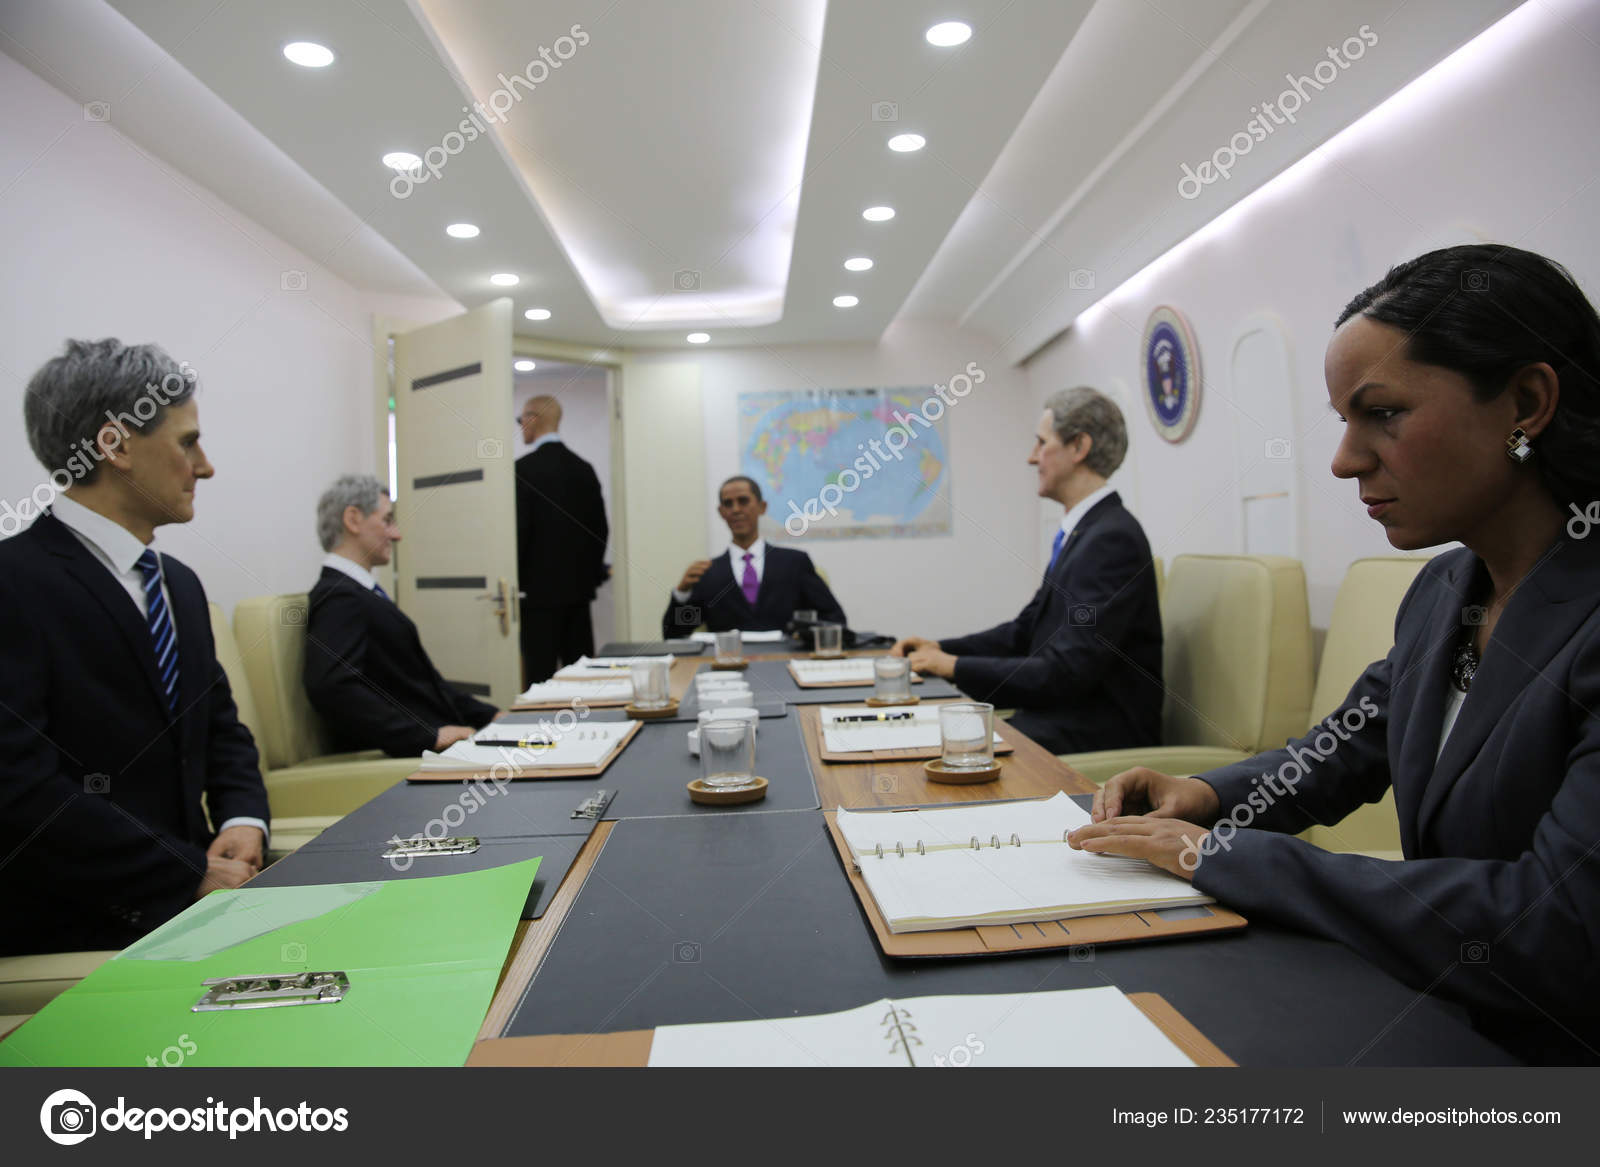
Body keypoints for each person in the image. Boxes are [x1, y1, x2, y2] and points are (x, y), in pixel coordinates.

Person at [1068, 244, 1600, 1065]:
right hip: (1438, 1010)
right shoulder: (1442, 590)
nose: (1345, 458)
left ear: (1526, 402)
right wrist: (1205, 795)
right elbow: (1346, 747)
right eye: (1344, 421)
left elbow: (1555, 927)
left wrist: (1226, 857)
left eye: (1381, 413)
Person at [0, 339, 270, 955]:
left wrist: (241, 821)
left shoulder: (178, 582)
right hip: (85, 928)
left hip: (210, 900)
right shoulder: (13, 583)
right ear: (115, 444)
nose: (205, 466)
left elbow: (222, 730)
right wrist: (184, 869)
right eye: (187, 442)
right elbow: (18, 789)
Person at [891, 388, 1162, 754]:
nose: (1031, 457)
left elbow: (1066, 672)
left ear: (1079, 447)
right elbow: (1025, 631)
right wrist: (939, 649)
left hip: (1100, 735)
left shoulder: (1112, 540)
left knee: (932, 745)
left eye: (1041, 442)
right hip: (1060, 721)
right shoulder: (1085, 532)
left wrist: (952, 666)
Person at [303, 475, 497, 757]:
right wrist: (427, 736)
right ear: (353, 519)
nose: (397, 534)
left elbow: (421, 683)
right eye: (387, 520)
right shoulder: (340, 597)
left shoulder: (358, 593)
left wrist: (488, 715)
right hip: (408, 755)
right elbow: (332, 687)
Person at [662, 475, 846, 638]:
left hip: (786, 663)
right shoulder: (707, 572)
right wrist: (682, 593)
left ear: (762, 507)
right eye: (728, 504)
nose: (735, 509)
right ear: (721, 512)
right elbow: (674, 633)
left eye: (743, 501)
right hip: (726, 668)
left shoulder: (794, 563)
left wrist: (800, 636)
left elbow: (834, 620)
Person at [514, 394, 609, 683]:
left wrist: (515, 583)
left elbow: (519, 532)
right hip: (578, 597)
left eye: (521, 421)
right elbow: (600, 530)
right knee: (580, 680)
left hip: (536, 599)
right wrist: (590, 579)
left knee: (539, 680)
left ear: (532, 418)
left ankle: (537, 729)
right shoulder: (584, 469)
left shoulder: (522, 470)